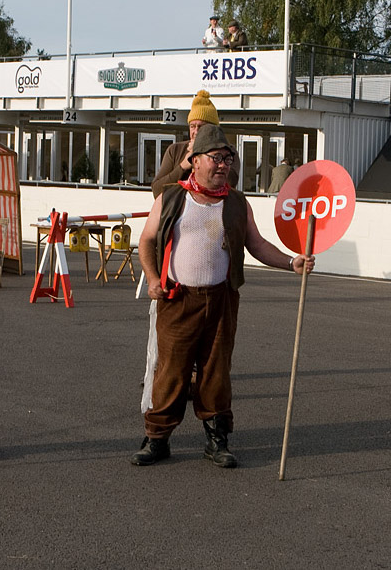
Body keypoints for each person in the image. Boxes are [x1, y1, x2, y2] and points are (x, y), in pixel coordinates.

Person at [132, 125, 315, 468]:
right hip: (177, 300)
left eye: (227, 158)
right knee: (170, 372)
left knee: (217, 373)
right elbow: (146, 240)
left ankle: (217, 440)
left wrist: (292, 261)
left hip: (221, 301)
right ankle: (157, 439)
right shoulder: (171, 197)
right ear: (195, 161)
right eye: (216, 158)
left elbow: (256, 244)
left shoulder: (235, 202)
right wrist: (153, 278)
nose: (223, 165)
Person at [151, 90, 239, 197]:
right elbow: (157, 190)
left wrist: (210, 155)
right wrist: (183, 166)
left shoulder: (228, 151)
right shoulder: (175, 150)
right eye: (192, 126)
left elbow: (230, 183)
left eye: (201, 127)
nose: (196, 131)